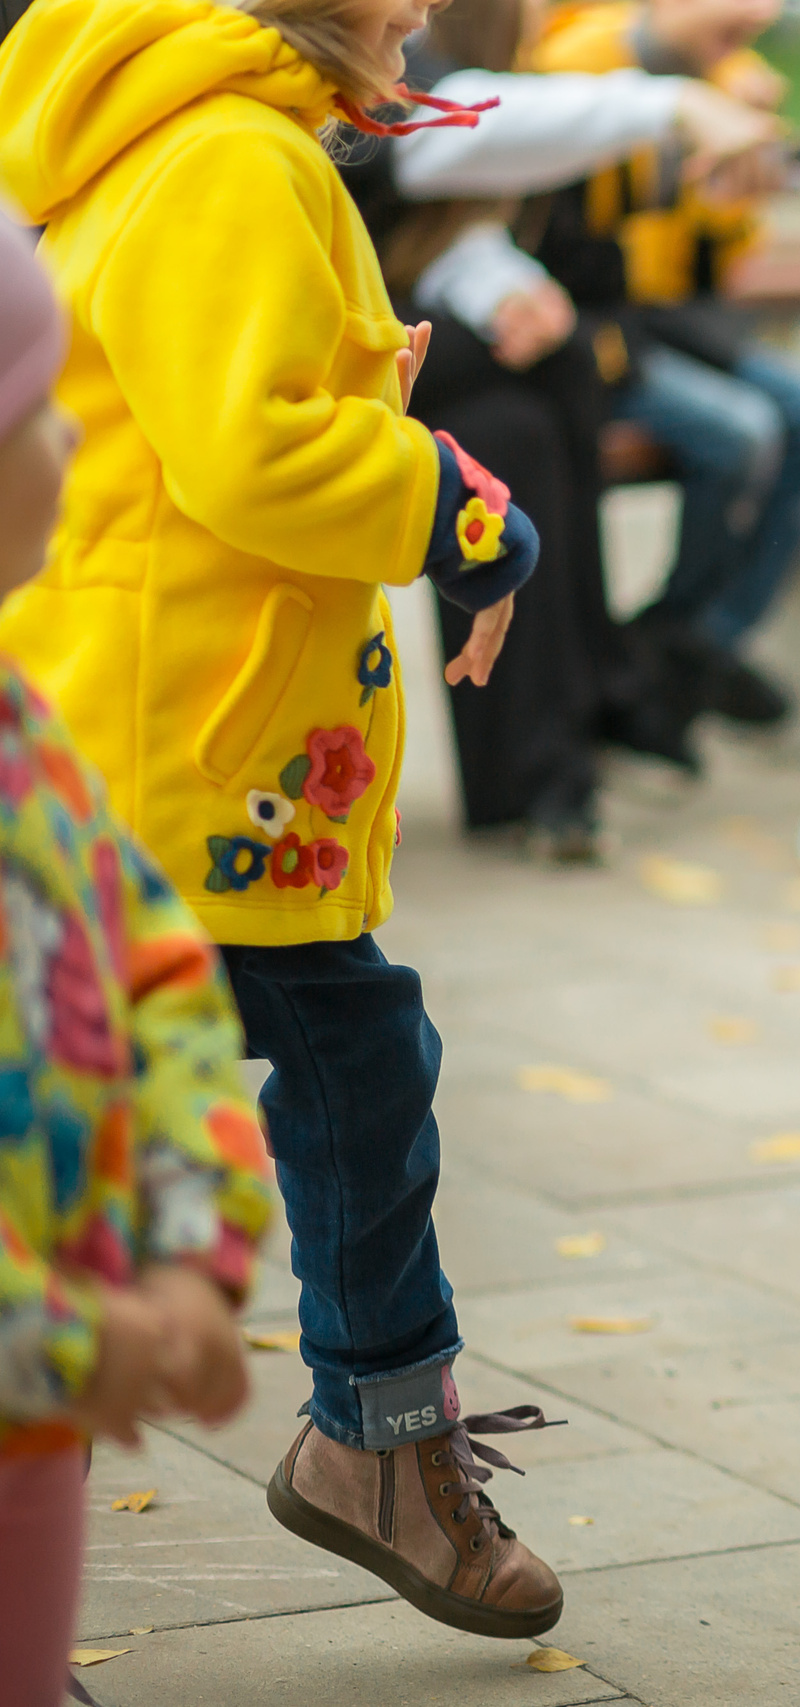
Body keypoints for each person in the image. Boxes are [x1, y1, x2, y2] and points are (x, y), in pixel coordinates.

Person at [0, 0, 564, 1639]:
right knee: (346, 1061)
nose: (418, 8)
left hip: (173, 722)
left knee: (242, 1068)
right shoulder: (234, 154)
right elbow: (250, 448)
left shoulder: (177, 132)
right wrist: (457, 505)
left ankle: (374, 1433)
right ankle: (378, 1438)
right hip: (191, 741)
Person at [0, 213, 273, 1707]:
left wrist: (189, 1250)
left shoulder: (21, 727)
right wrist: (57, 1331)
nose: (68, 440)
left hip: (45, 1412)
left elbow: (155, 966)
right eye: (41, 407)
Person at [345, 0, 785, 850]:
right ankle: (546, 760)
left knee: (555, 380)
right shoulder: (382, 71)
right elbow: (439, 136)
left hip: (427, 334)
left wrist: (508, 290)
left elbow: (443, 225)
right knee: (517, 431)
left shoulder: (468, 61)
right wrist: (673, 105)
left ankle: (580, 721)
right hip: (357, 351)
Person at [531, 0, 800, 736]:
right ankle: (674, 653)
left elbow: (720, 267)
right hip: (599, 324)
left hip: (676, 320)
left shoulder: (733, 77)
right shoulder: (581, 64)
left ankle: (690, 641)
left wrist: (732, 198)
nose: (759, 15)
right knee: (739, 432)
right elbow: (583, 247)